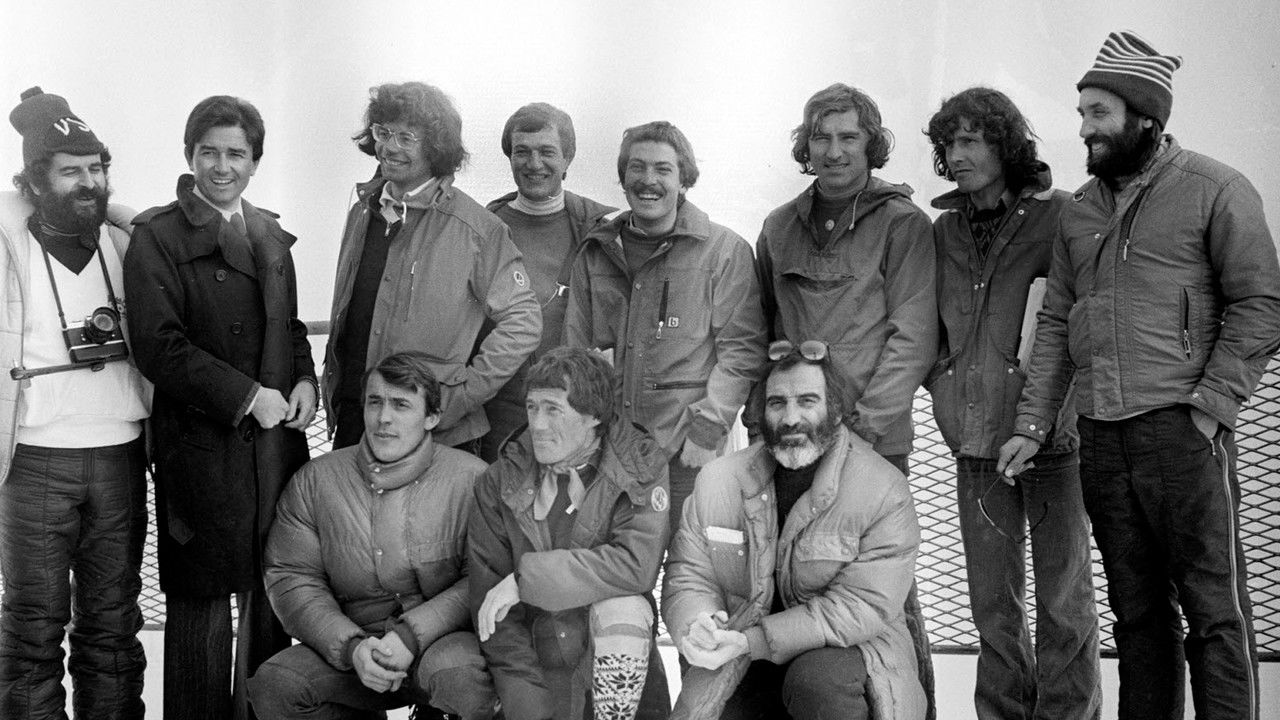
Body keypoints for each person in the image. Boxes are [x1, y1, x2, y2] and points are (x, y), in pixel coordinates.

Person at [999, 31, 1280, 720]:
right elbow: (1060, 320)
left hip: (1183, 435)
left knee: (1217, 615)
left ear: (1144, 117)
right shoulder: (1079, 212)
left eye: (1099, 112)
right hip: (1102, 438)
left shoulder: (1216, 189)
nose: (1084, 129)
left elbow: (1262, 303)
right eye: (1082, 113)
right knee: (1137, 617)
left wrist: (1212, 406)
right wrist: (1034, 423)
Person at [124, 95, 316, 720]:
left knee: (272, 597)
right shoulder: (157, 238)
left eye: (236, 153)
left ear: (255, 160)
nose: (221, 166)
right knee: (202, 611)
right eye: (209, 152)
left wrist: (305, 382)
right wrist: (247, 397)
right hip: (201, 451)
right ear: (189, 156)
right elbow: (158, 347)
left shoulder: (270, 236)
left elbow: (287, 328)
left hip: (272, 450)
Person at [754, 83, 937, 714]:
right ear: (806, 145)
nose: (833, 151)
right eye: (821, 138)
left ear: (872, 145)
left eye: (849, 137)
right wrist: (767, 425)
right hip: (790, 444)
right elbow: (764, 332)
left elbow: (913, 334)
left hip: (872, 444)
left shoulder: (903, 225)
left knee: (885, 599)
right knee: (784, 580)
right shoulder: (779, 228)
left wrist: (862, 428)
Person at [924, 86, 1100, 720]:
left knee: (1063, 600)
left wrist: (1051, 412)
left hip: (1053, 440)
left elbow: (1074, 321)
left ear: (1006, 145)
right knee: (991, 603)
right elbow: (929, 328)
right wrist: (944, 382)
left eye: (972, 139)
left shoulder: (1061, 216)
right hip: (974, 438)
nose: (958, 152)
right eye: (950, 142)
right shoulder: (941, 230)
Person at [663, 340, 924, 720]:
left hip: (849, 652)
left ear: (834, 412)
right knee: (719, 699)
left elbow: (860, 607)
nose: (790, 418)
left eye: (807, 401)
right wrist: (698, 624)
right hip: (746, 649)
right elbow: (689, 574)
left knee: (814, 682)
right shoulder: (719, 481)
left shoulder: (884, 489)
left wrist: (750, 641)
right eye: (777, 403)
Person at [0, 87, 151, 719]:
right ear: (33, 182)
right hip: (34, 461)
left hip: (120, 454)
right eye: (70, 171)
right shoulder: (10, 248)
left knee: (114, 627)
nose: (88, 183)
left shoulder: (125, 244)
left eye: (96, 169)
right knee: (33, 629)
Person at [249, 352, 498, 720]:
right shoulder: (317, 480)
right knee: (277, 685)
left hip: (443, 644)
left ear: (432, 417)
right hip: (357, 647)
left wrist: (411, 636)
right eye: (375, 402)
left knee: (460, 678)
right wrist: (352, 647)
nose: (384, 418)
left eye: (401, 405)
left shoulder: (473, 480)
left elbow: (485, 577)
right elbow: (292, 576)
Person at [563, 121, 766, 524]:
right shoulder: (596, 253)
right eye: (636, 168)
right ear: (623, 179)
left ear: (684, 180)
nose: (648, 180)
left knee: (691, 574)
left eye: (663, 169)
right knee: (613, 572)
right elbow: (575, 356)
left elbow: (741, 352)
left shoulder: (723, 252)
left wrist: (708, 430)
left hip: (689, 454)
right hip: (610, 454)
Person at [323, 81, 541, 454]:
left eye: (408, 137)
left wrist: (460, 396)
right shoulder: (363, 212)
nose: (390, 147)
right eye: (384, 132)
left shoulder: (476, 229)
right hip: (356, 424)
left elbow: (524, 321)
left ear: (437, 147)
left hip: (436, 438)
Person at [469, 347, 671, 720]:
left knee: (625, 607)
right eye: (532, 408)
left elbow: (635, 566)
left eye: (553, 410)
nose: (538, 425)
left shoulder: (640, 464)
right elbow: (491, 610)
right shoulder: (498, 480)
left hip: (610, 652)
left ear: (594, 415)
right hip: (533, 656)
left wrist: (524, 581)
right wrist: (527, 703)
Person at [478, 103, 617, 461]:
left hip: (576, 408)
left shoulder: (603, 228)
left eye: (547, 152)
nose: (534, 163)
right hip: (503, 410)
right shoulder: (483, 229)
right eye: (521, 152)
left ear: (568, 159)